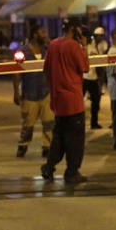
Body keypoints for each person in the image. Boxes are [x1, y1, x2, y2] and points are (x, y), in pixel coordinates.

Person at [41, 18, 90, 184]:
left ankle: (49, 166)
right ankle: (72, 171)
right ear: (75, 29)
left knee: (59, 137)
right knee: (75, 139)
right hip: (73, 101)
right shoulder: (74, 46)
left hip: (58, 101)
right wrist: (85, 46)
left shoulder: (53, 45)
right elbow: (85, 67)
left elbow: (46, 69)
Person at [13, 25, 53, 158]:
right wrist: (16, 92)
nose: (45, 34)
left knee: (48, 122)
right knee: (28, 124)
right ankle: (23, 145)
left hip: (46, 92)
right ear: (35, 35)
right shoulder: (23, 51)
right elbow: (17, 72)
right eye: (42, 32)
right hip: (29, 93)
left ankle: (47, 147)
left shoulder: (48, 50)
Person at [83, 26, 108, 129]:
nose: (100, 38)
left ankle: (94, 122)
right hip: (85, 77)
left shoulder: (101, 45)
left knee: (96, 101)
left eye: (102, 36)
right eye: (98, 36)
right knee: (79, 101)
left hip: (94, 77)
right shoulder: (88, 46)